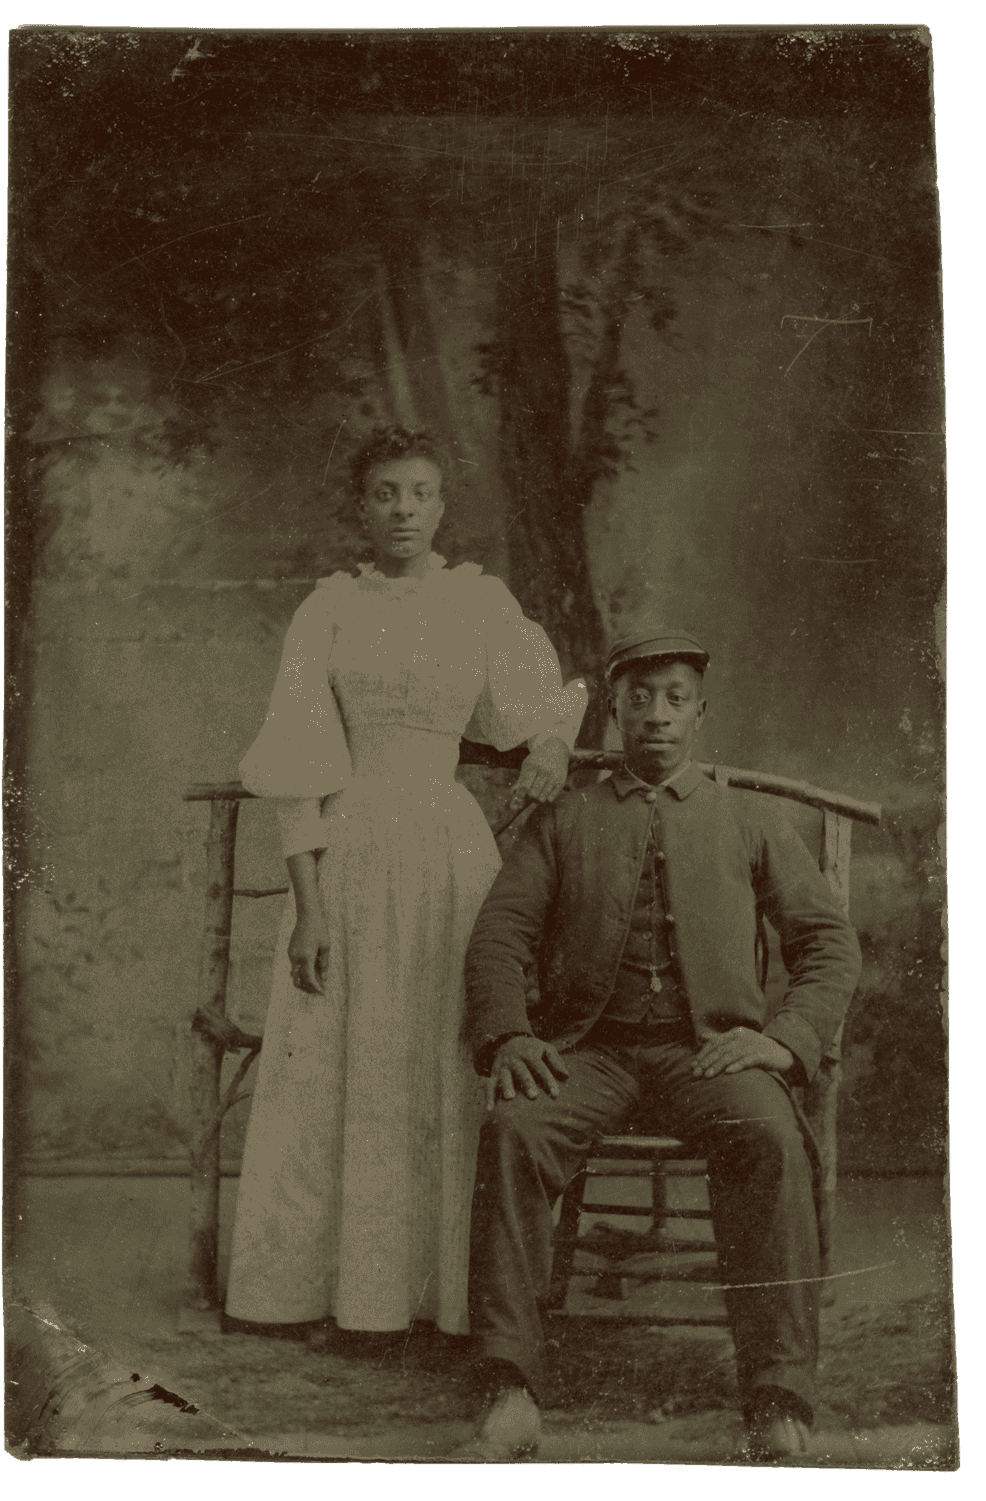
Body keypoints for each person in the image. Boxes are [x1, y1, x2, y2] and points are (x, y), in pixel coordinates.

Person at [455, 624, 862, 1461]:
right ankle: (509, 1388)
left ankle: (776, 1394)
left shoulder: (745, 819)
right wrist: (509, 1036)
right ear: (611, 710)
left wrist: (783, 1041)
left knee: (770, 1137)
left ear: (700, 714)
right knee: (513, 1130)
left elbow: (826, 940)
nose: (656, 715)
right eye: (638, 698)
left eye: (675, 699)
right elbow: (500, 933)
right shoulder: (564, 818)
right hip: (588, 1052)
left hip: (707, 1053)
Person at [223, 427, 586, 1340]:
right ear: (361, 506)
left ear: (439, 505)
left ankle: (445, 1295)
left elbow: (534, 706)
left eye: (418, 493)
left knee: (439, 1053)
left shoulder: (478, 602)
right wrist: (308, 908)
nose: (401, 511)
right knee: (344, 1060)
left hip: (450, 850)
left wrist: (548, 742)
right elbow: (301, 764)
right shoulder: (328, 610)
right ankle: (336, 1294)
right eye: (384, 493)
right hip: (348, 850)